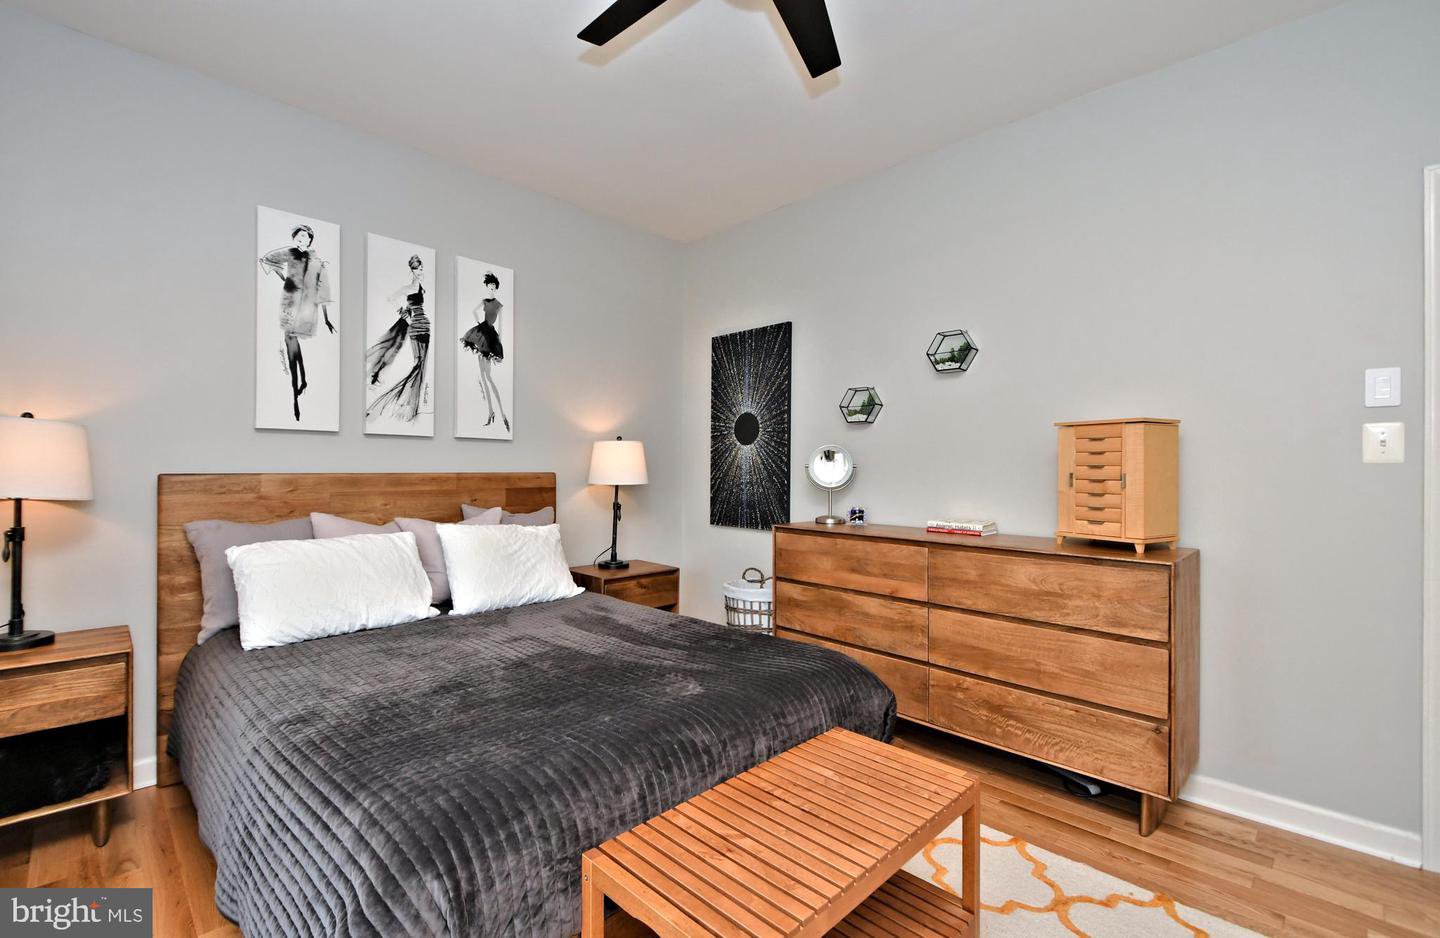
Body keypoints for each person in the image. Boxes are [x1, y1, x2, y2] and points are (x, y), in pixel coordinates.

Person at [259, 225, 334, 421]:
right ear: (295, 238)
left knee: (291, 341)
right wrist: (285, 278)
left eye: (305, 236)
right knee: (291, 340)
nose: (302, 239)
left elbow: (322, 288)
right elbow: (266, 259)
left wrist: (326, 318)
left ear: (310, 239)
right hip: (290, 301)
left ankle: (295, 395)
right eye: (299, 236)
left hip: (305, 306)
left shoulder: (315, 259)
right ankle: (302, 382)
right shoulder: (291, 252)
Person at [366, 255, 431, 423]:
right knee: (418, 363)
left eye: (421, 268)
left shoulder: (421, 287)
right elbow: (391, 298)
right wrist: (404, 315)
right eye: (418, 269)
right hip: (415, 326)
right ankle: (398, 403)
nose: (420, 271)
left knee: (422, 364)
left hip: (425, 325)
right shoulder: (407, 288)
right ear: (412, 270)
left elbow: (415, 306)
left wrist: (408, 312)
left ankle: (411, 405)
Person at [460, 271, 510, 432]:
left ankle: (501, 413)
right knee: (483, 376)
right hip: (482, 333)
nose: (492, 287)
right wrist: (479, 324)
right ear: (487, 286)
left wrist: (498, 343)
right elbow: (474, 312)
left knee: (488, 377)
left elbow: (500, 326)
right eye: (490, 285)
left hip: (490, 338)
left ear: (496, 287)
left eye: (494, 285)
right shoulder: (484, 301)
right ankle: (491, 412)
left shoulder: (499, 305)